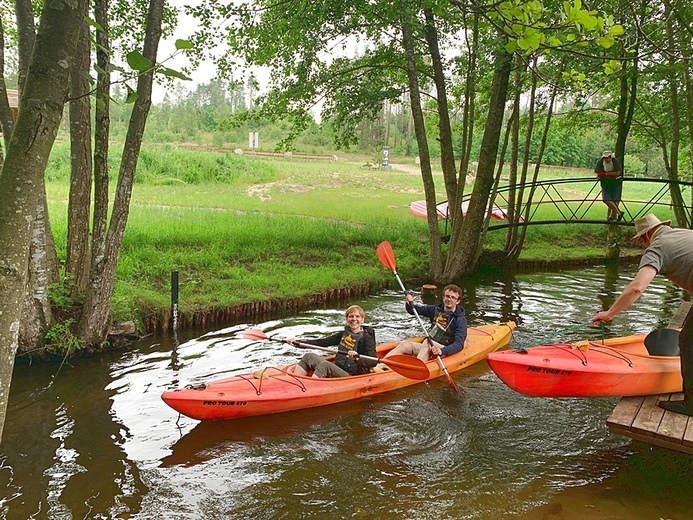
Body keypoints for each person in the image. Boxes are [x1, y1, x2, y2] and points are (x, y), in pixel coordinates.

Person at [592, 213, 693, 415]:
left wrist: (610, 313)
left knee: (688, 342)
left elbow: (637, 288)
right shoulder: (684, 234)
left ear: (644, 237)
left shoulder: (657, 247)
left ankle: (691, 405)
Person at [384, 284, 468, 362]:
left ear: (458, 301)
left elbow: (459, 344)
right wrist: (409, 303)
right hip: (428, 346)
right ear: (443, 297)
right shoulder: (435, 309)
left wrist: (442, 351)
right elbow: (414, 310)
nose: (449, 299)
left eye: (453, 298)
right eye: (447, 296)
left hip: (444, 348)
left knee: (427, 342)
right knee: (403, 345)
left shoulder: (460, 320)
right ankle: (379, 366)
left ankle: (416, 369)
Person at [291, 305, 378, 378]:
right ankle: (295, 382)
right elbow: (322, 342)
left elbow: (373, 361)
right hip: (338, 367)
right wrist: (298, 343)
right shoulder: (344, 334)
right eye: (351, 316)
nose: (354, 319)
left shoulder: (367, 338)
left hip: (353, 374)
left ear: (362, 319)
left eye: (357, 316)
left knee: (325, 365)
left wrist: (357, 358)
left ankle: (308, 388)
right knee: (308, 356)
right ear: (347, 319)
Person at [594, 150, 624, 221]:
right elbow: (598, 173)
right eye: (605, 158)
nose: (607, 159)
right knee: (606, 199)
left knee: (615, 200)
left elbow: (617, 173)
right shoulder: (600, 163)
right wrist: (608, 174)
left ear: (611, 157)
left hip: (616, 183)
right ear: (603, 158)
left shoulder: (615, 162)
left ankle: (611, 217)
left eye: (609, 157)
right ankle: (619, 212)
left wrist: (606, 174)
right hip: (605, 184)